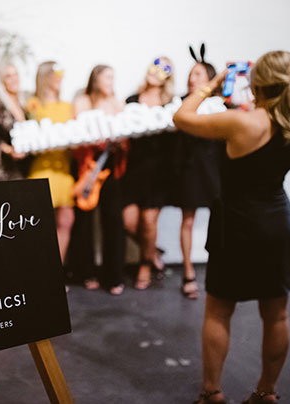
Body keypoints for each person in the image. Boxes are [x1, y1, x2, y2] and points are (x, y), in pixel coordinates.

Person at [173, 50, 290, 404]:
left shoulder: (239, 122)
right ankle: (267, 392)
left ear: (256, 82)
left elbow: (181, 116)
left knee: (219, 311)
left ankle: (212, 392)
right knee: (277, 314)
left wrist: (213, 84)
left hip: (235, 224)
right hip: (277, 222)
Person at [69, 65, 128, 295]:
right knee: (84, 219)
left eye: (113, 77)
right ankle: (86, 273)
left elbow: (127, 130)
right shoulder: (83, 101)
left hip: (111, 163)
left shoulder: (117, 103)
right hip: (88, 165)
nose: (111, 81)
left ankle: (114, 276)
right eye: (107, 77)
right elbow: (75, 132)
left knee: (113, 219)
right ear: (95, 79)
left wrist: (120, 142)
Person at [171, 50, 221, 299]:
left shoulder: (221, 103)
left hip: (214, 168)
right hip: (189, 168)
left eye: (198, 74)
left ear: (211, 78)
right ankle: (188, 271)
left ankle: (220, 268)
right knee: (187, 220)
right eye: (190, 74)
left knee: (221, 220)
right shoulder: (178, 104)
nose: (192, 78)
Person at [123, 57, 175, 290]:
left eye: (164, 68)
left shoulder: (170, 104)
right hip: (134, 169)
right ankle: (154, 252)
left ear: (168, 77)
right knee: (129, 221)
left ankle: (145, 265)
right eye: (155, 64)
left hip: (159, 171)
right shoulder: (131, 101)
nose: (157, 70)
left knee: (148, 221)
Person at [26, 61, 75, 265]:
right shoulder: (33, 105)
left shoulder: (68, 107)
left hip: (64, 169)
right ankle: (41, 270)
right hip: (42, 169)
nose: (60, 78)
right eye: (56, 74)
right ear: (45, 77)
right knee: (40, 225)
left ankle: (57, 271)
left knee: (66, 221)